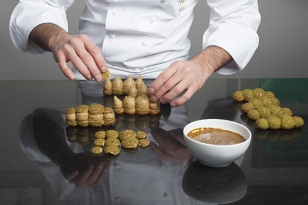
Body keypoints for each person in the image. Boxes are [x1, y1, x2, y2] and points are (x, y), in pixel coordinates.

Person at [9, 0, 261, 107]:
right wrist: (57, 37)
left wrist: (203, 65)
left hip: (171, 81)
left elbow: (238, 15)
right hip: (93, 77)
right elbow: (38, 4)